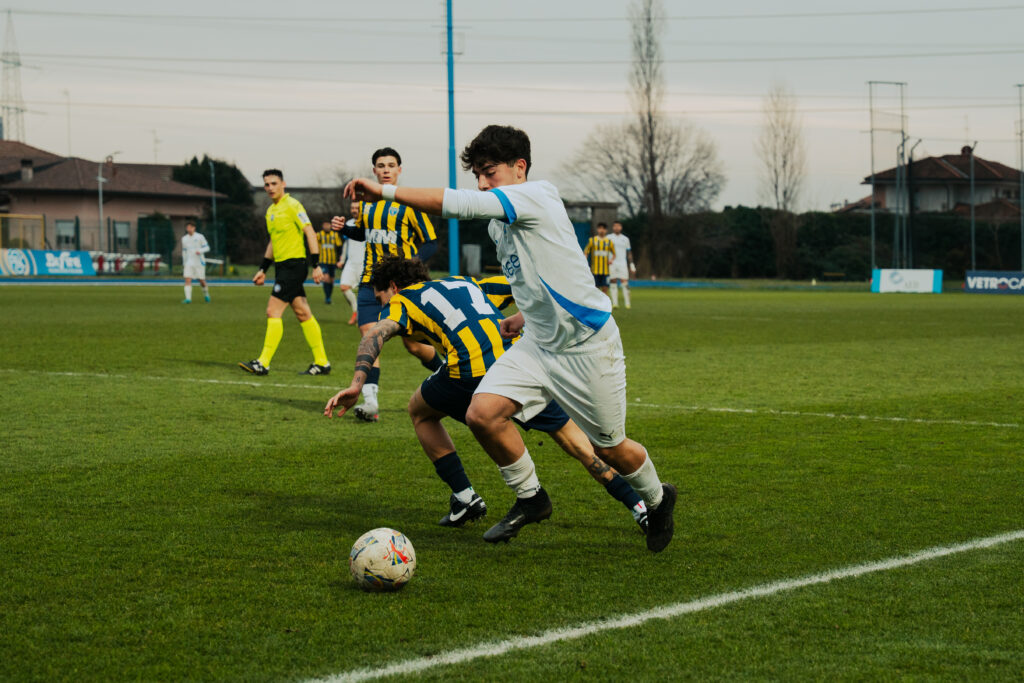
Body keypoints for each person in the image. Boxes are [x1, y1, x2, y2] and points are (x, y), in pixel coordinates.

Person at [342, 124, 677, 552]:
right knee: (482, 414)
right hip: (538, 345)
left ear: (519, 168)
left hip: (587, 347)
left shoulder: (537, 194)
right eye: (477, 175)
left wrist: (384, 191)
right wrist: (521, 316)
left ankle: (656, 497)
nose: (482, 183)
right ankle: (532, 498)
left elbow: (456, 204)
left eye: (489, 172)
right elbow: (534, 273)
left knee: (610, 448)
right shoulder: (502, 225)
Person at [324, 255, 648, 533]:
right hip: (522, 366)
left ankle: (467, 498)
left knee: (420, 411)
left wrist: (357, 382)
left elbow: (375, 335)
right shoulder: (466, 282)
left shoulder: (402, 301)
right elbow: (525, 288)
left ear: (392, 287)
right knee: (579, 445)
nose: (382, 303)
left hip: (471, 373)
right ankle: (640, 507)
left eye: (380, 296)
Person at [329, 147, 440, 422]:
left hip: (402, 287)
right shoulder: (368, 204)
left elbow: (432, 242)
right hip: (370, 282)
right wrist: (344, 228)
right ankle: (371, 404)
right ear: (374, 171)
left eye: (392, 165)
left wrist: (408, 266)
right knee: (371, 338)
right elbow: (364, 233)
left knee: (414, 346)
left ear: (400, 170)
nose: (386, 169)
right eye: (381, 165)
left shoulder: (409, 203)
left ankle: (447, 371)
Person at [238, 169, 331, 377]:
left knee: (273, 311)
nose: (270, 188)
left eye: (273, 183)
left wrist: (316, 264)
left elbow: (309, 232)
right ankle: (322, 362)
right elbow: (273, 242)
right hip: (282, 267)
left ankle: (263, 363)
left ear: (283, 184)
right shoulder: (271, 211)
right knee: (302, 312)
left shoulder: (293, 205)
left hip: (294, 266)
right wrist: (263, 269)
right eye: (266, 185)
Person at [336, 200, 366, 325]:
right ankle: (355, 312)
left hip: (364, 263)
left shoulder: (367, 223)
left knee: (365, 293)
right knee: (343, 287)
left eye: (356, 208)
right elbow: (346, 245)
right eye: (352, 207)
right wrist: (342, 260)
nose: (354, 210)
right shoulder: (348, 223)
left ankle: (365, 316)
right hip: (351, 263)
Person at [608, 221, 636, 309]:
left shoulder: (625, 239)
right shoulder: (608, 238)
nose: (617, 227)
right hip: (612, 263)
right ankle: (615, 303)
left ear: (621, 227)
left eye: (618, 226)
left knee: (625, 283)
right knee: (613, 282)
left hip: (622, 264)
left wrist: (631, 264)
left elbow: (629, 252)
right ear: (613, 227)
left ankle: (627, 304)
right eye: (615, 226)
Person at [180, 221, 210, 303]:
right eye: (187, 227)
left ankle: (206, 294)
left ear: (194, 228)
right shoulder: (184, 239)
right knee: (187, 279)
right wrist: (184, 262)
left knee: (201, 281)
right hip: (189, 262)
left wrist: (200, 251)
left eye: (190, 227)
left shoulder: (200, 237)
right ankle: (188, 299)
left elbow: (207, 248)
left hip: (199, 262)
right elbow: (184, 251)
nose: (189, 229)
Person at [583, 222, 616, 297]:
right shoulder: (592, 240)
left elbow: (614, 254)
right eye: (600, 228)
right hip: (595, 270)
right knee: (596, 289)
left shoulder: (609, 242)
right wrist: (585, 258)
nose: (602, 230)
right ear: (597, 229)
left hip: (606, 271)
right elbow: (586, 251)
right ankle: (596, 306)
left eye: (603, 228)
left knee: (605, 289)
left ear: (606, 230)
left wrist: (611, 260)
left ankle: (604, 306)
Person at [315, 220, 343, 304]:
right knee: (326, 278)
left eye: (328, 225)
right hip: (323, 261)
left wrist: (340, 258)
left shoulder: (335, 235)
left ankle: (329, 297)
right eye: (325, 225)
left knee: (331, 280)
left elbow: (339, 247)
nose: (327, 226)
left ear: (330, 226)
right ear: (323, 226)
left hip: (332, 261)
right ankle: (327, 298)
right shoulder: (319, 235)